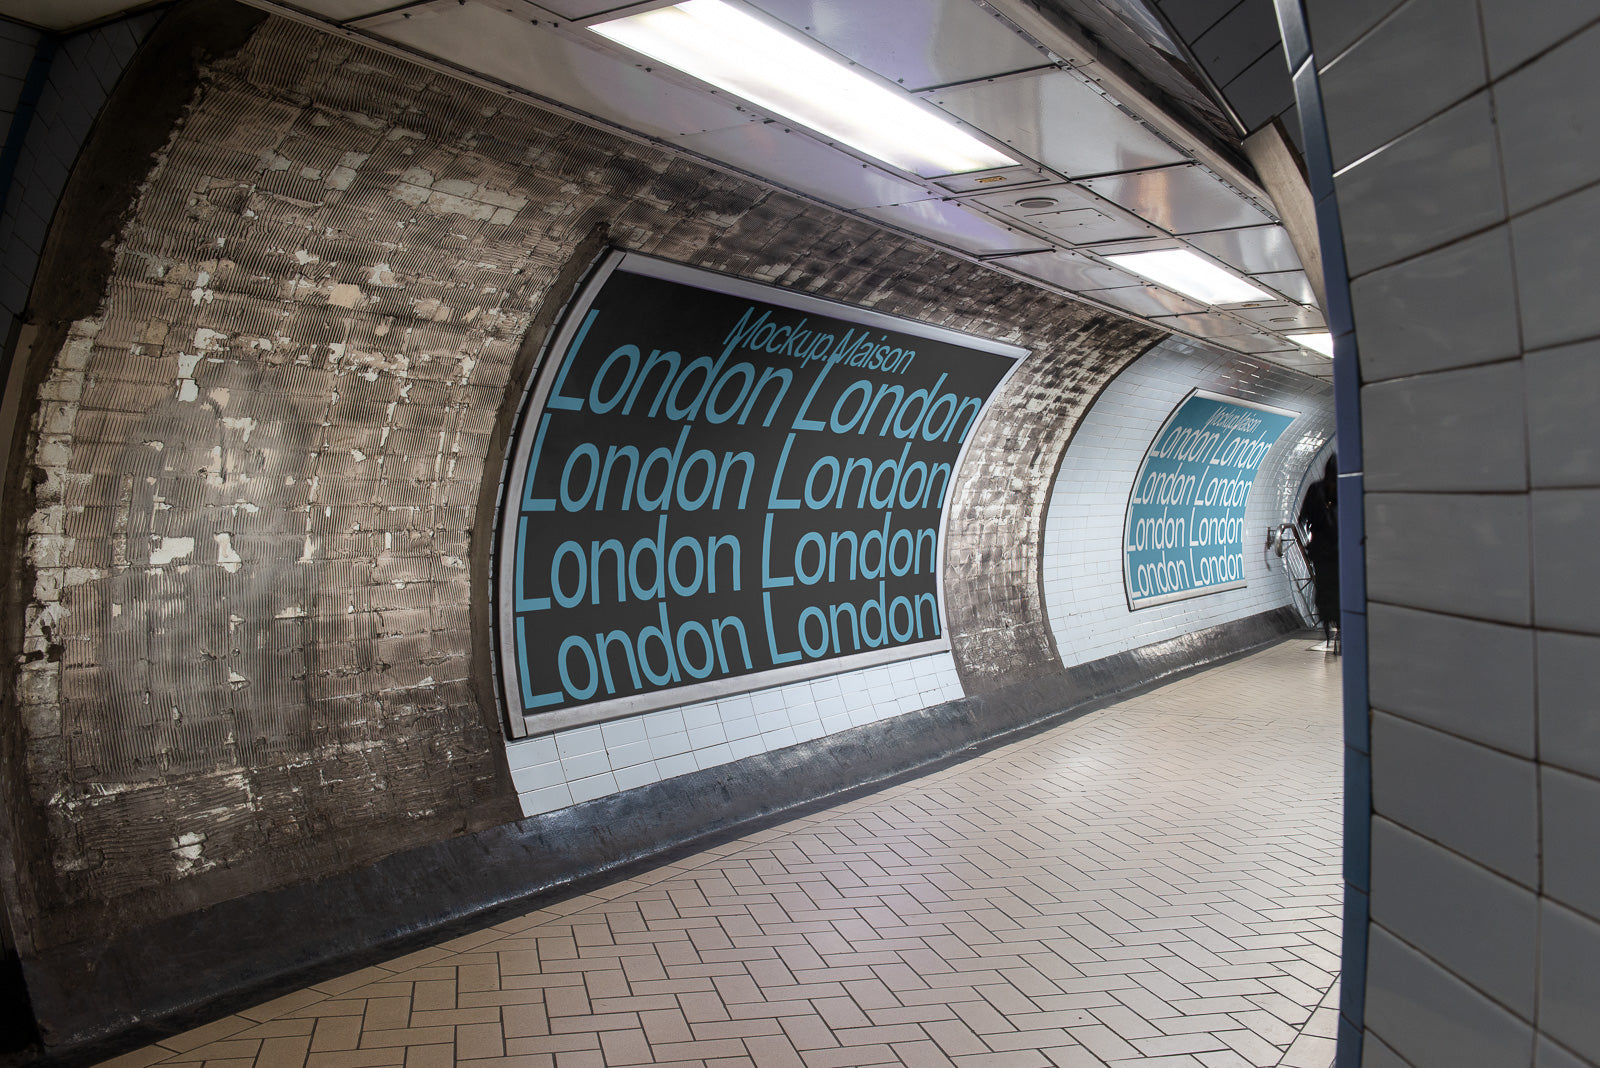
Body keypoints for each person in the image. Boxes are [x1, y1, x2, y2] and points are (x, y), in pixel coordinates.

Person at [1298, 455, 1339, 647]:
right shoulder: (1345, 490)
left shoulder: (1315, 489)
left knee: (1323, 589)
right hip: (1340, 552)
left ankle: (1327, 626)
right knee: (1340, 588)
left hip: (1321, 553)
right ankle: (1340, 626)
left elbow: (1303, 519)